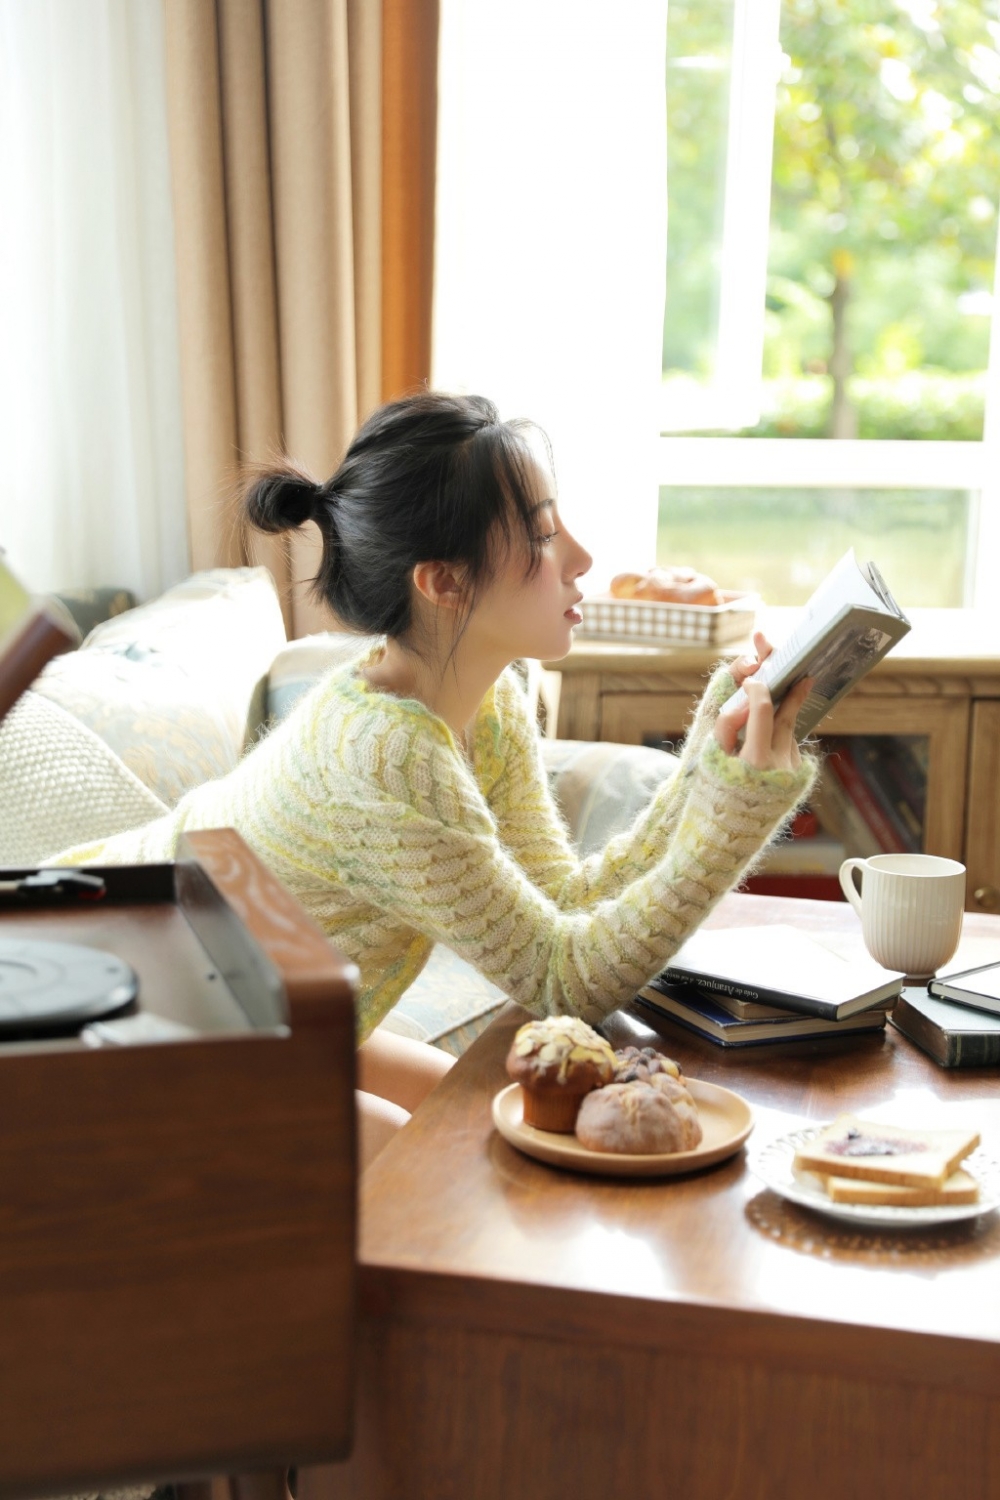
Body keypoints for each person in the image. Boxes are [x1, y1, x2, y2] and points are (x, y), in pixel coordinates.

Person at [55, 392, 815, 1165]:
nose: (581, 559)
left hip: (247, 1002)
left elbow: (562, 908)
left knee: (484, 1139)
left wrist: (708, 766)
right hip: (106, 1012)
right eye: (545, 536)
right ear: (444, 584)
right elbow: (563, 980)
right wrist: (732, 817)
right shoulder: (387, 753)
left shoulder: (485, 705)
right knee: (452, 1181)